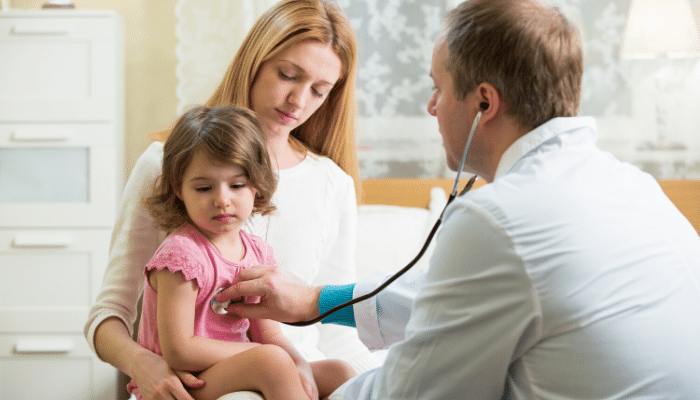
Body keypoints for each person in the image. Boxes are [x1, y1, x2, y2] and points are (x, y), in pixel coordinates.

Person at [218, 0, 700, 399]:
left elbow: (409, 391)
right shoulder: (634, 187)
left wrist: (295, 388)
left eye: (438, 88)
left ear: (484, 104)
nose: (431, 106)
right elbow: (444, 295)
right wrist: (315, 301)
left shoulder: (498, 220)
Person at [84, 1, 379, 399]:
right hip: (196, 381)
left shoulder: (333, 184)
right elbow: (109, 313)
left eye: (318, 91)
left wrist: (377, 385)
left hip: (287, 375)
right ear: (255, 62)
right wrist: (143, 364)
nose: (298, 101)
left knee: (347, 374)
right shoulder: (166, 163)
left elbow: (334, 333)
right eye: (288, 75)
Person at [128, 105, 355, 400]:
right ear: (179, 188)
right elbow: (180, 350)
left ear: (257, 185)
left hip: (233, 369)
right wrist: (263, 354)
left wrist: (299, 363)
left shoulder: (256, 252)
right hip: (183, 382)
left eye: (237, 185)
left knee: (340, 372)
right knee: (272, 362)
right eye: (204, 188)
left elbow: (269, 334)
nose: (222, 200)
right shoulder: (181, 255)